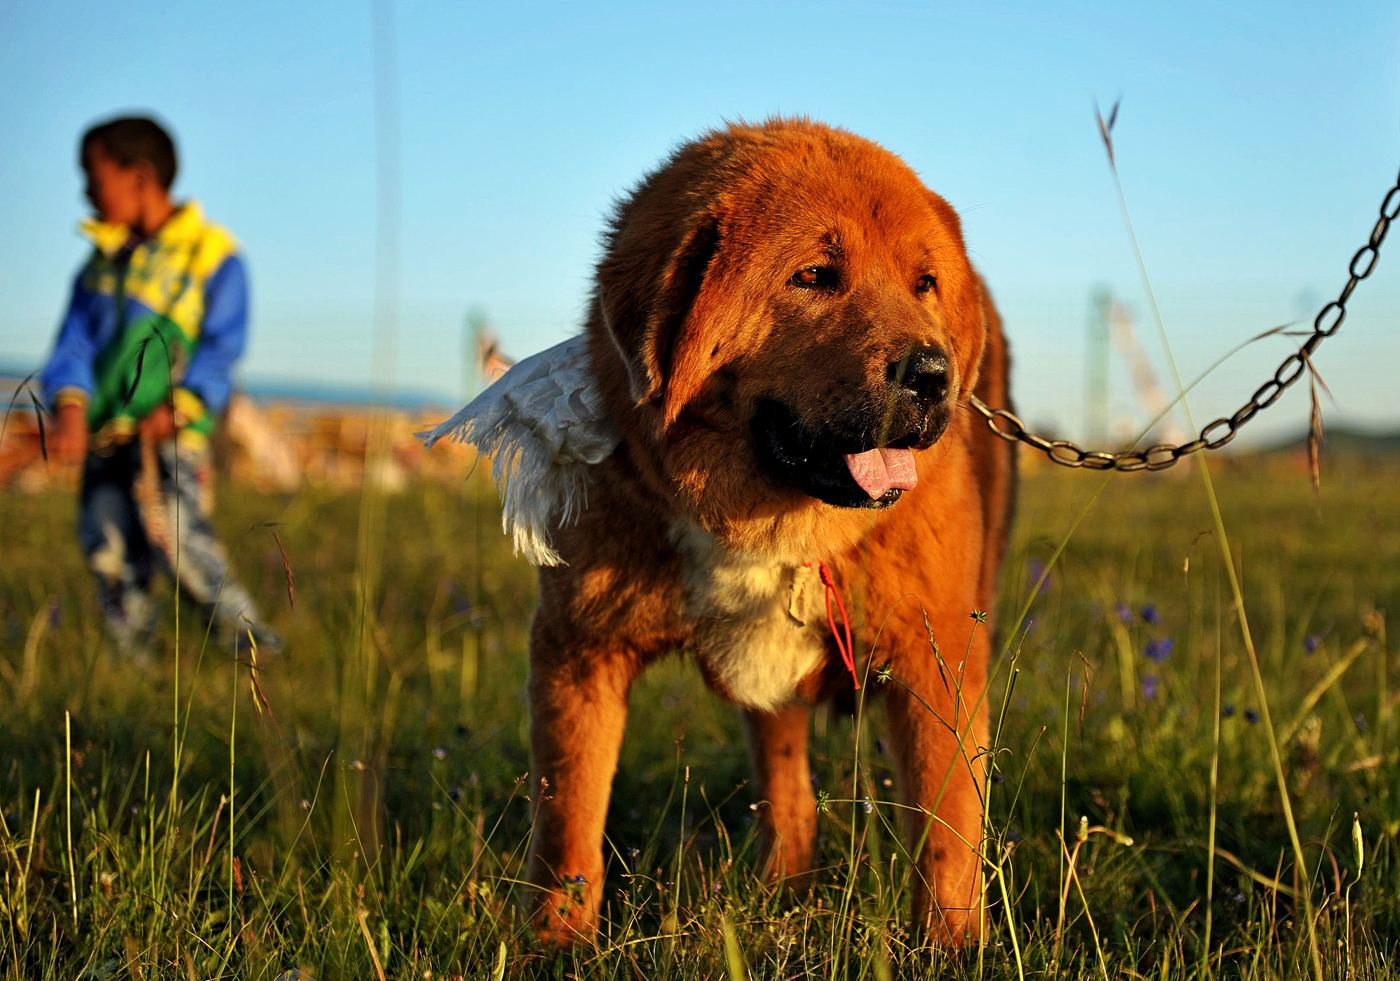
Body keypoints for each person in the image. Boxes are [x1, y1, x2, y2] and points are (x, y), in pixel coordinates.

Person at [40, 114, 281, 656]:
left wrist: (183, 405)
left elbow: (222, 348)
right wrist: (71, 408)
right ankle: (134, 662)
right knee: (109, 548)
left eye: (93, 177)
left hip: (173, 440)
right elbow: (72, 346)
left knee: (182, 546)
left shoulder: (212, 255)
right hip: (107, 440)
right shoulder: (98, 266)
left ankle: (253, 652)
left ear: (139, 177)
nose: (85, 192)